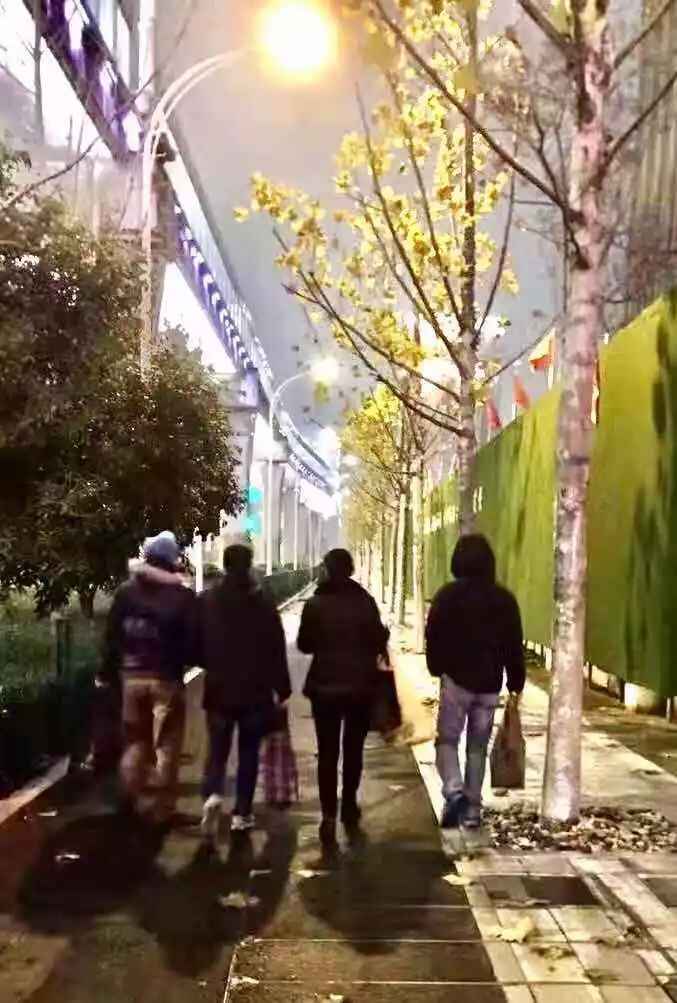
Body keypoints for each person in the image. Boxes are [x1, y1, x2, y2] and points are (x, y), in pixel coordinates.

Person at [426, 533, 525, 830]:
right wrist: (516, 682)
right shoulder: (504, 600)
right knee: (477, 748)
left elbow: (434, 636)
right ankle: (472, 811)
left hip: (456, 682)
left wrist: (436, 668)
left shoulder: (446, 596)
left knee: (447, 740)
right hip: (489, 685)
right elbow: (513, 645)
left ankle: (454, 790)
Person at [196, 544, 291, 838]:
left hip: (219, 688)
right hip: (255, 691)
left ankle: (213, 794)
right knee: (248, 753)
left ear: (224, 565)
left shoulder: (208, 599)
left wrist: (208, 662)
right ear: (249, 565)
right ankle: (242, 813)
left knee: (217, 750)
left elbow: (195, 639)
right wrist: (283, 687)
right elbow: (276, 647)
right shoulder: (262, 601)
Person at [297, 548, 389, 849]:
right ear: (350, 569)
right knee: (353, 750)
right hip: (360, 688)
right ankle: (349, 804)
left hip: (324, 688)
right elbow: (378, 640)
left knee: (327, 752)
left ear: (326, 569)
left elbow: (304, 645)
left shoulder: (315, 604)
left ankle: (328, 814)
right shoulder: (365, 602)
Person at [102, 530, 195, 825]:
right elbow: (192, 639)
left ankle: (127, 803)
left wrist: (106, 672)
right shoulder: (182, 596)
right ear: (172, 560)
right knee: (167, 746)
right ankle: (163, 811)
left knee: (134, 742)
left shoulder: (126, 592)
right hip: (167, 679)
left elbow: (112, 636)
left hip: (131, 677)